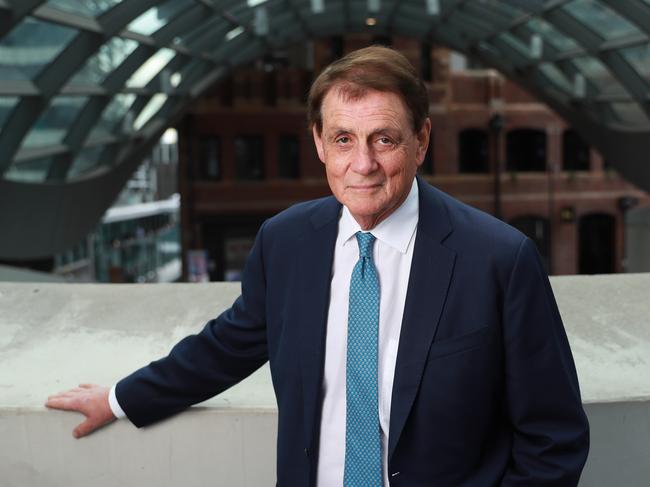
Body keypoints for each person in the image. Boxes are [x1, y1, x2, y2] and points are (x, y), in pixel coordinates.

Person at [47, 46, 589, 486]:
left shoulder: (498, 258)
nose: (364, 165)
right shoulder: (287, 243)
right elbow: (227, 346)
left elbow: (554, 438)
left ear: (421, 140)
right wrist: (118, 399)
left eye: (385, 139)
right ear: (318, 144)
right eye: (343, 139)